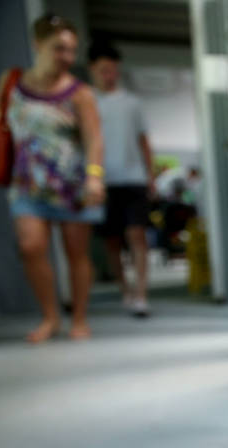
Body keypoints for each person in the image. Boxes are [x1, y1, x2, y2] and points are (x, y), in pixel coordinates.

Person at [0, 13, 104, 341]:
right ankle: (50, 316)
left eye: (71, 50)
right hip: (27, 183)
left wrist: (94, 177)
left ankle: (79, 317)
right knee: (31, 247)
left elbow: (94, 138)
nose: (67, 57)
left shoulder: (80, 93)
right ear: (38, 44)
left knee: (77, 253)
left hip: (71, 185)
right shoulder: (11, 82)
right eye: (59, 49)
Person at [88, 41, 155, 317]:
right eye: (103, 70)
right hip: (102, 180)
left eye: (113, 70)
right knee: (112, 241)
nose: (109, 75)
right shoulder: (86, 102)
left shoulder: (132, 103)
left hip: (134, 178)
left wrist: (150, 176)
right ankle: (124, 288)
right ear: (93, 70)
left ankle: (141, 294)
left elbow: (143, 141)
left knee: (137, 233)